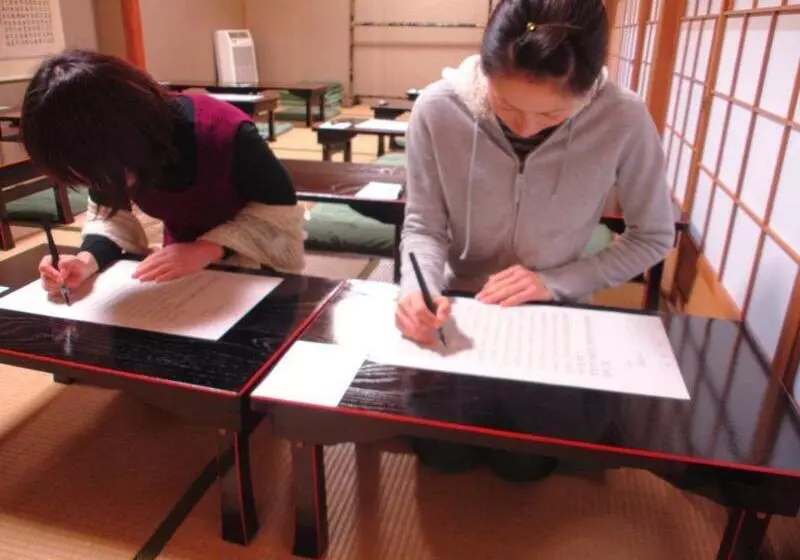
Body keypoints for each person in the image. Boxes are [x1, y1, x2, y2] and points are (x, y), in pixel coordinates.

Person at [397, 0, 674, 480]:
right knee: (442, 455)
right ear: (485, 71)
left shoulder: (623, 119)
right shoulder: (438, 109)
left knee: (524, 464)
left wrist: (554, 282)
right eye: (504, 105)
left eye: (552, 113)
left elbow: (652, 237)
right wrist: (415, 289)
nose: (523, 126)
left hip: (554, 317)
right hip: (460, 311)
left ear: (589, 89)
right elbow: (423, 225)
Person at [23, 49, 305, 296]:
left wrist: (207, 248)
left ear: (126, 135)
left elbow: (280, 217)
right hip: (181, 265)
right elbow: (110, 217)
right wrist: (87, 260)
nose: (95, 182)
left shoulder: (224, 133)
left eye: (92, 174)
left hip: (253, 266)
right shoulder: (103, 157)